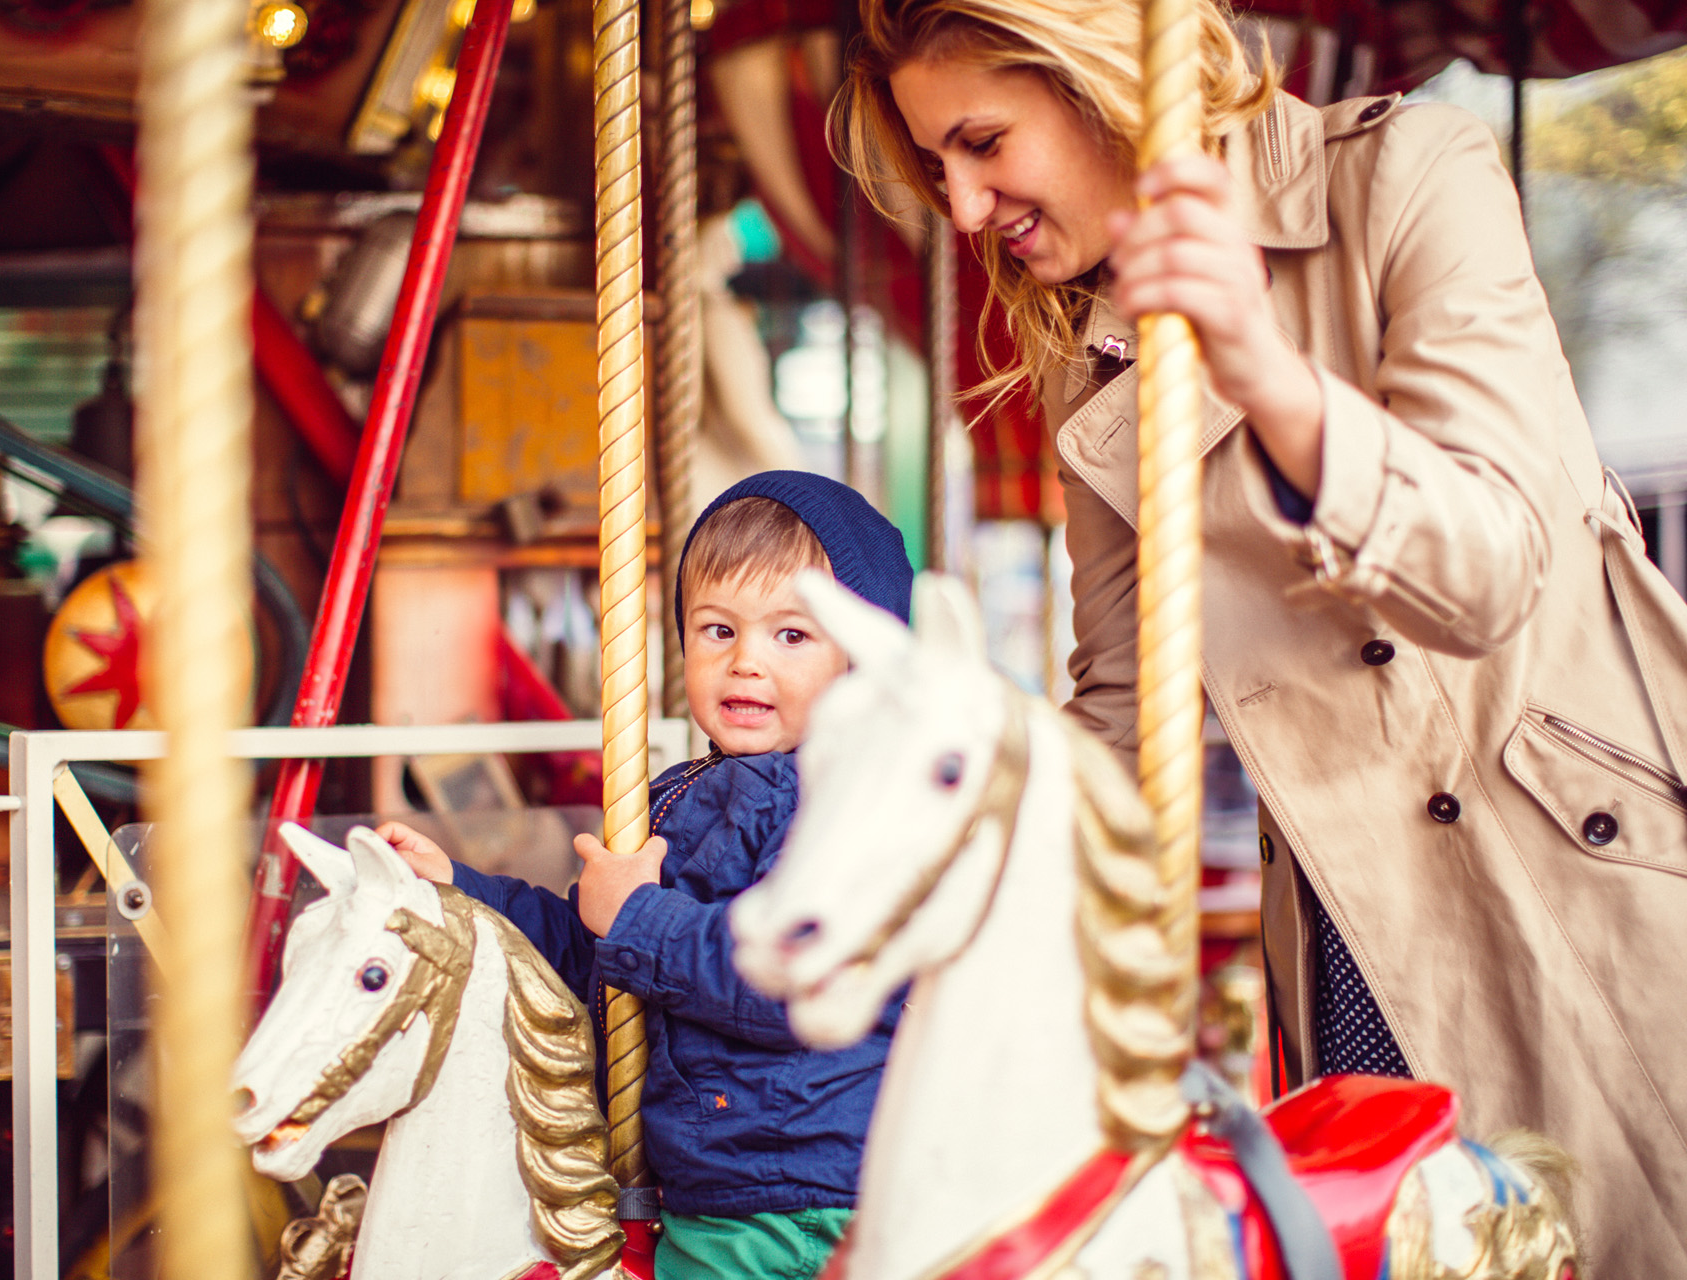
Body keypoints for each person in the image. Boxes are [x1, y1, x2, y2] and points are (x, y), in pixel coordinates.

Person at [834, 0, 1687, 1270]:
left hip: (1563, 865)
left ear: (1098, 79)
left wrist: (1266, 373)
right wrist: (946, 859)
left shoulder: (1409, 177)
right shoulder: (1096, 347)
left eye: (982, 142)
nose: (962, 209)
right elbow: (1124, 700)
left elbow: (1491, 571)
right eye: (937, 168)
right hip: (1348, 916)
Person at [380, 470, 914, 1279]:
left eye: (791, 636)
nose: (746, 664)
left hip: (805, 1193)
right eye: (717, 630)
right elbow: (591, 950)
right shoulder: (675, 795)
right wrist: (463, 893)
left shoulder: (854, 804)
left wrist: (637, 920)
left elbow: (797, 980)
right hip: (719, 1187)